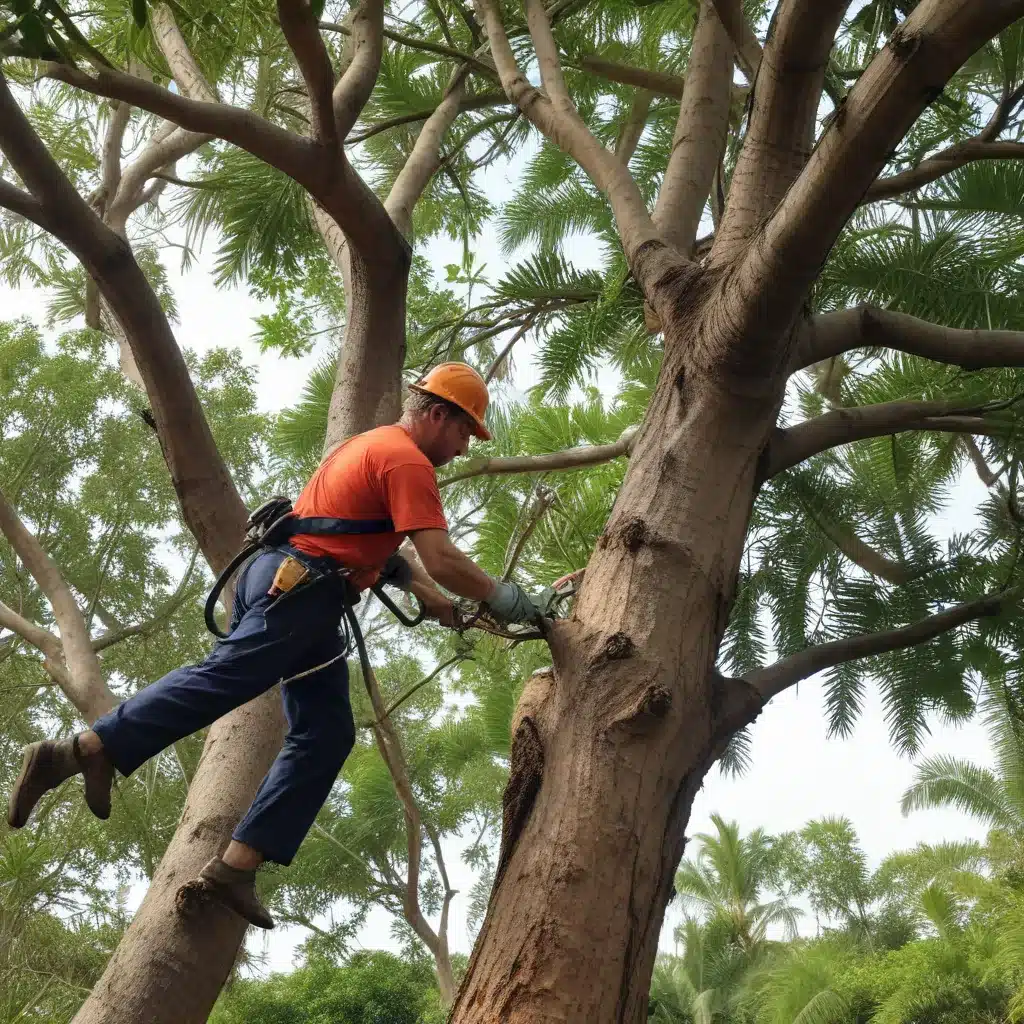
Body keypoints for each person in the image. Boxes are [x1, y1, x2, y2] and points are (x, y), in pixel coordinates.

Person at [6, 362, 543, 929]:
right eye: (464, 432)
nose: (463, 448)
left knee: (326, 732)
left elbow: (366, 538)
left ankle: (236, 866)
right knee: (226, 677)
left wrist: (429, 597)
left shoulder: (373, 446)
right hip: (302, 591)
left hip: (296, 585)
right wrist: (506, 599)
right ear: (438, 414)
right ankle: (83, 750)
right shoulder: (407, 460)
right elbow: (442, 557)